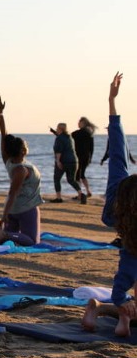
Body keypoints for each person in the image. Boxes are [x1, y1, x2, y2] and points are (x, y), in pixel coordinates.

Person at [81, 72, 137, 336]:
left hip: (125, 237)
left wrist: (112, 102)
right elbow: (118, 146)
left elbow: (117, 147)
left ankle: (111, 311)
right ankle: (122, 315)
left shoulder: (119, 189)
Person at [0, 96, 42, 247]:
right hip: (25, 208)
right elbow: (13, 192)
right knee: (31, 241)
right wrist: (4, 215)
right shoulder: (21, 170)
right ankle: (0, 234)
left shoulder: (8, 161)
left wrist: (0, 113)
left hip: (13, 209)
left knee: (11, 235)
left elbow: (4, 135)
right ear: (23, 150)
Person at [49, 123, 86, 204]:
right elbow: (62, 139)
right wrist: (53, 132)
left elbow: (59, 151)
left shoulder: (59, 139)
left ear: (60, 129)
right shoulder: (69, 137)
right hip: (74, 161)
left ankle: (59, 197)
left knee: (57, 178)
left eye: (57, 128)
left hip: (64, 161)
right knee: (71, 180)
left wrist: (58, 161)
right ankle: (81, 194)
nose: (56, 129)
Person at [72, 116, 97, 199]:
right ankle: (88, 191)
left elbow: (72, 135)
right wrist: (91, 157)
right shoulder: (90, 132)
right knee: (82, 175)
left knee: (78, 175)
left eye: (79, 122)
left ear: (82, 123)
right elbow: (92, 147)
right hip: (86, 156)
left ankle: (80, 193)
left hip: (80, 156)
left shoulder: (80, 133)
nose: (78, 124)